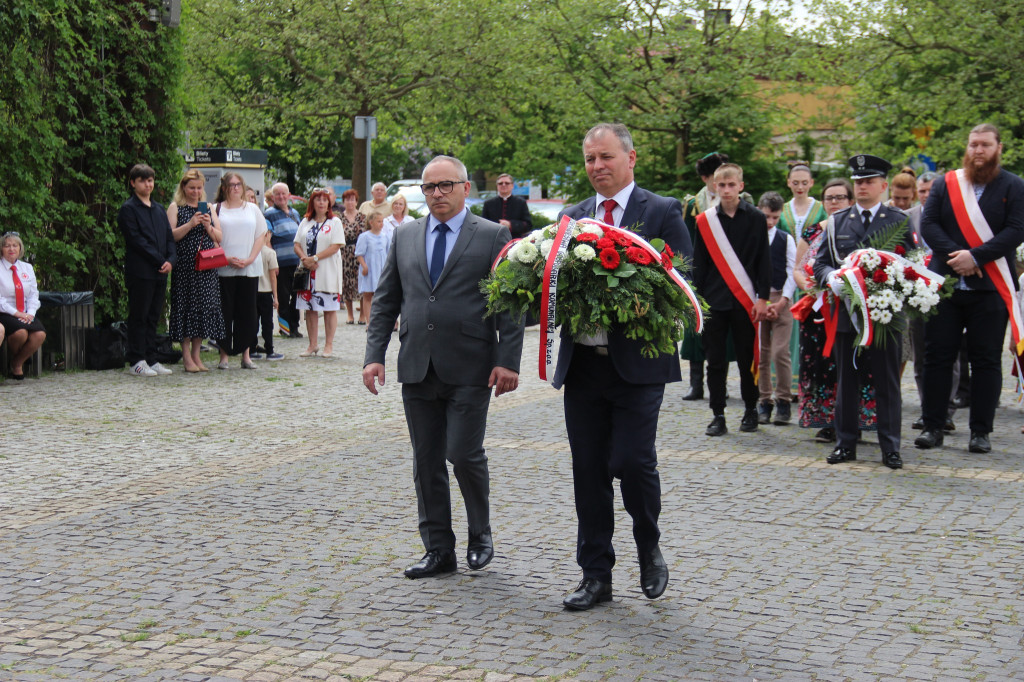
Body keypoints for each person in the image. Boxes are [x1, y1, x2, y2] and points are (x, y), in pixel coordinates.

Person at [362, 155, 524, 580]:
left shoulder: (493, 236)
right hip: (417, 364)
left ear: (465, 188)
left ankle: (480, 534)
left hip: (471, 366)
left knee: (463, 454)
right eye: (429, 187)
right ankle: (438, 548)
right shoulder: (406, 235)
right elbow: (385, 301)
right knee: (427, 459)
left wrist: (508, 361)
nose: (437, 194)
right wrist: (374, 355)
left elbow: (509, 305)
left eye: (446, 185)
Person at [554, 123, 692, 611]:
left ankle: (647, 544)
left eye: (606, 157)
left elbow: (683, 279)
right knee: (588, 471)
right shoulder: (570, 219)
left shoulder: (661, 210)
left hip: (639, 366)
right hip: (583, 368)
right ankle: (595, 574)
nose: (597, 167)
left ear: (631, 158)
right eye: (590, 159)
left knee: (632, 462)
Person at [916, 124, 1024, 454]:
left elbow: (1017, 229)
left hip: (990, 288)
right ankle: (933, 426)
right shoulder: (947, 183)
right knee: (937, 357)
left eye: (985, 145)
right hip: (947, 287)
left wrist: (975, 256)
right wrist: (957, 258)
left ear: (998, 148)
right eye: (973, 144)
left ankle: (981, 431)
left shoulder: (1014, 185)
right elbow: (928, 224)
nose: (978, 150)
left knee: (986, 360)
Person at [814, 154, 913, 470]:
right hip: (847, 315)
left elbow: (912, 265)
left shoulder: (897, 220)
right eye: (858, 182)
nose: (862, 187)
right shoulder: (838, 221)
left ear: (883, 185)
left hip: (885, 316)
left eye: (869, 181)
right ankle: (845, 443)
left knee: (887, 382)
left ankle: (890, 446)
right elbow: (820, 262)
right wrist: (831, 277)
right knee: (846, 380)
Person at [793, 178, 878, 442]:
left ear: (850, 201)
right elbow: (798, 268)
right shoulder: (813, 232)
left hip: (852, 309)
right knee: (821, 365)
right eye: (829, 198)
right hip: (818, 309)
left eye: (840, 197)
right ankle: (824, 420)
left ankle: (858, 420)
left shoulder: (859, 230)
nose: (834, 203)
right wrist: (814, 289)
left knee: (855, 365)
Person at [694, 162, 771, 437]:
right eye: (721, 185)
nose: (726, 190)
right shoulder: (705, 221)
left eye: (731, 185)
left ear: (741, 186)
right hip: (714, 301)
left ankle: (751, 409)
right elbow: (699, 265)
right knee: (714, 361)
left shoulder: (756, 218)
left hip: (745, 301)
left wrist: (763, 298)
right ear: (714, 186)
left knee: (746, 358)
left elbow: (764, 262)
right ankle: (718, 414)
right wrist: (697, 302)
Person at [681, 152, 735, 401]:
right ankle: (696, 383)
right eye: (715, 178)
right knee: (696, 327)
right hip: (701, 273)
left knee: (723, 332)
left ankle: (719, 383)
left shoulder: (738, 201)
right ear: (705, 178)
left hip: (727, 273)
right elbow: (687, 241)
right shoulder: (693, 204)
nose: (720, 183)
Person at [117, 164, 177, 377]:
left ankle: (152, 358)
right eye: (143, 180)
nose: (148, 184)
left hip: (161, 272)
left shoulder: (159, 209)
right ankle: (136, 360)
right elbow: (137, 241)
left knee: (153, 316)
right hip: (141, 271)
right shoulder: (129, 209)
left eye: (150, 180)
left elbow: (169, 238)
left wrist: (170, 259)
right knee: (139, 316)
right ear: (133, 183)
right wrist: (160, 259)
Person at [166, 169, 225, 373]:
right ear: (184, 187)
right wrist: (191, 224)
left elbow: (219, 237)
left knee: (202, 308)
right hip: (185, 266)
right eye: (192, 188)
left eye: (199, 188)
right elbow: (170, 236)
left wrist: (208, 226)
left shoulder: (208, 207)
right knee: (186, 307)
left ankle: (197, 355)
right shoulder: (176, 207)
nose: (196, 191)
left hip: (206, 266)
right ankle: (186, 356)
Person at [214, 172, 267, 370]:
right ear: (225, 187)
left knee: (248, 313)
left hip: (249, 267)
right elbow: (213, 236)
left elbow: (260, 235)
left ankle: (246, 354)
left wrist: (250, 259)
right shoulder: (217, 209)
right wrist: (225, 258)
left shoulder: (252, 209)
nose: (235, 188)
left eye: (239, 184)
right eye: (232, 184)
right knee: (225, 312)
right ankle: (224, 355)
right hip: (224, 267)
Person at [755, 191, 797, 425]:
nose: (770, 222)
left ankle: (783, 400)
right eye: (766, 216)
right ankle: (764, 401)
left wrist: (783, 301)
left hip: (781, 298)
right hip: (759, 299)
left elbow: (792, 270)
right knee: (762, 353)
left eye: (775, 217)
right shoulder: (752, 237)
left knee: (781, 352)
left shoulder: (785, 238)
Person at [294, 188, 345, 357]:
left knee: (329, 308)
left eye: (325, 200)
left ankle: (328, 345)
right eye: (318, 200)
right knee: (310, 308)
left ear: (329, 203)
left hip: (326, 270)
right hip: (308, 272)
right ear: (313, 203)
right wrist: (305, 259)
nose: (322, 203)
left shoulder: (334, 222)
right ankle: (312, 344)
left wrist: (315, 258)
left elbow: (336, 245)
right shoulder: (305, 222)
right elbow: (296, 244)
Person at [0, 232, 46, 379]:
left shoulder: (27, 268)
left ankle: (17, 362)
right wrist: (16, 313)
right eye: (7, 246)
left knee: (39, 334)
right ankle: (20, 359)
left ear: (20, 249)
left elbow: (33, 294)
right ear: (1, 249)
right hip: (6, 312)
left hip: (26, 312)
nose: (11, 249)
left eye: (15, 245)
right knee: (21, 333)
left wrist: (31, 313)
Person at [265, 182, 303, 339]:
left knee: (296, 296)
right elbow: (268, 239)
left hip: (296, 262)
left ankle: (295, 326)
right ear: (273, 197)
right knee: (282, 296)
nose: (281, 197)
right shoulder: (269, 214)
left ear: (288, 195)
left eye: (283, 193)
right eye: (277, 194)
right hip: (281, 263)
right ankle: (285, 328)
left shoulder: (295, 213)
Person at [251, 232, 283, 361]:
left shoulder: (251, 251)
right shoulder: (270, 253)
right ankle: (269, 349)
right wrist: (276, 297)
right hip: (266, 291)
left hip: (253, 291)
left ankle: (252, 348)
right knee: (267, 323)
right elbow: (273, 277)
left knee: (253, 321)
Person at [355, 212, 390, 326]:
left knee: (382, 295)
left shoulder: (385, 236)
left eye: (382, 221)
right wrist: (364, 265)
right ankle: (369, 321)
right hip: (369, 269)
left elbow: (388, 252)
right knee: (368, 294)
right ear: (371, 222)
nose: (381, 224)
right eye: (378, 221)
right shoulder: (365, 236)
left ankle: (381, 320)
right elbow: (359, 254)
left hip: (382, 269)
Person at [339, 189, 368, 324]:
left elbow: (366, 235)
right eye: (347, 199)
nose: (350, 202)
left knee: (361, 282)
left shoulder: (363, 217)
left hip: (360, 252)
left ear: (356, 201)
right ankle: (350, 314)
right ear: (343, 202)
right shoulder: (338, 218)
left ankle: (362, 314)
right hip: (344, 253)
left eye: (352, 199)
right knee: (346, 283)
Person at [778, 163, 827, 237]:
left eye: (804, 183)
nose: (800, 187)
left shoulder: (822, 208)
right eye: (795, 183)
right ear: (789, 183)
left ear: (811, 182)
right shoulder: (782, 209)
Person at [481, 173, 533, 238]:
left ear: (512, 185)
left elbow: (528, 225)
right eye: (500, 183)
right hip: (494, 240)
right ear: (497, 186)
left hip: (514, 241)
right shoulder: (488, 203)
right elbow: (483, 225)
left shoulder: (520, 202)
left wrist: (511, 224)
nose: (503, 185)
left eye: (507, 183)